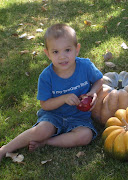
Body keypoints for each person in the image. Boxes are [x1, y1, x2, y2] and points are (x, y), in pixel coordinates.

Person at [0, 24, 103, 162]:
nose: (62, 57)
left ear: (77, 49)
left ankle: (46, 142)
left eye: (67, 50)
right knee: (41, 131)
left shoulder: (85, 66)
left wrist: (93, 92)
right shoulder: (46, 76)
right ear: (47, 54)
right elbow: (45, 105)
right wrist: (63, 98)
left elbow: (99, 80)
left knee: (85, 136)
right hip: (54, 115)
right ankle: (5, 149)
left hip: (79, 117)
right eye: (55, 52)